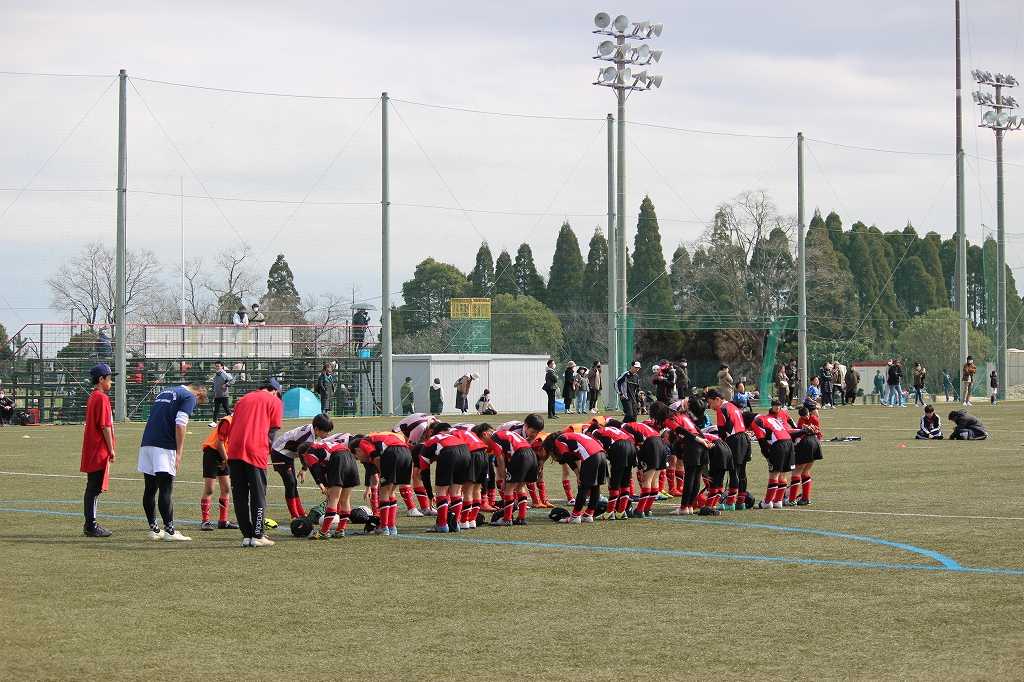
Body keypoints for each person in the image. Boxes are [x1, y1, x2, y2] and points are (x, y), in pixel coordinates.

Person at [138, 382, 208, 541]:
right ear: (198, 394)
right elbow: (181, 424)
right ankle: (170, 532)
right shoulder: (189, 396)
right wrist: (179, 452)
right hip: (164, 446)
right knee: (166, 488)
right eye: (198, 403)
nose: (194, 406)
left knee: (150, 488)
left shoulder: (166, 391)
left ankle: (154, 529)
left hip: (147, 442)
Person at [227, 379, 284, 547]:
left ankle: (247, 535)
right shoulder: (274, 401)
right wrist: (267, 451)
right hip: (255, 449)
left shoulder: (243, 399)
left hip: (234, 449)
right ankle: (258, 535)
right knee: (258, 494)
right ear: (275, 391)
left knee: (240, 495)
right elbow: (272, 430)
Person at [271, 413, 334, 520]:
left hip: (288, 455)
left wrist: (304, 468)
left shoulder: (313, 432)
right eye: (326, 431)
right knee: (290, 483)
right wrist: (304, 469)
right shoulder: (307, 437)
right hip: (279, 453)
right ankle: (294, 515)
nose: (328, 434)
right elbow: (304, 455)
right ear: (317, 429)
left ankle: (300, 513)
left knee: (293, 483)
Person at [350, 431, 413, 535]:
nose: (360, 461)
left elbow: (377, 458)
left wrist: (382, 476)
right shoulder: (377, 439)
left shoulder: (363, 442)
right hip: (406, 453)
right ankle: (392, 527)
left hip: (392, 453)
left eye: (357, 457)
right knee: (391, 492)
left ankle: (384, 527)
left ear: (357, 450)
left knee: (384, 491)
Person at [81, 363, 116, 537]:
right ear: (101, 379)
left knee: (92, 488)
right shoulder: (101, 398)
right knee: (94, 489)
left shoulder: (93, 396)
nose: (111, 382)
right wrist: (111, 449)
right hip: (98, 449)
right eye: (109, 378)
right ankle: (91, 525)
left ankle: (90, 523)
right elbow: (105, 426)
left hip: (92, 448)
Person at [299, 438, 358, 538]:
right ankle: (340, 530)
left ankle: (324, 532)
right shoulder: (321, 446)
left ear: (303, 454)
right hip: (350, 458)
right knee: (345, 500)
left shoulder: (309, 452)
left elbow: (315, 470)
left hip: (338, 458)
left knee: (333, 498)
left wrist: (323, 485)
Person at [750, 400, 804, 509]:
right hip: (789, 442)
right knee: (783, 474)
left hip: (779, 444)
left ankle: (767, 502)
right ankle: (778, 501)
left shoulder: (756, 422)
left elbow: (762, 443)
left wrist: (768, 457)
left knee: (774, 474)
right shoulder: (771, 418)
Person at [483, 427, 538, 527]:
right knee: (520, 487)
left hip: (520, 455)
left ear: (485, 434)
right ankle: (521, 518)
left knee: (508, 488)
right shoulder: (505, 434)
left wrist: (504, 478)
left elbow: (500, 459)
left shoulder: (494, 438)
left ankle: (507, 519)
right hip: (531, 454)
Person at [199, 413, 239, 531]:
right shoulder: (228, 421)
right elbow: (219, 443)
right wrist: (227, 460)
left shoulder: (241, 422)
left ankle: (223, 521)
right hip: (212, 453)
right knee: (209, 489)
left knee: (226, 488)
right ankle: (205, 521)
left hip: (224, 454)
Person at [792, 401, 823, 506]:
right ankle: (805, 498)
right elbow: (798, 431)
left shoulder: (813, 418)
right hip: (812, 444)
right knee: (805, 472)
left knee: (797, 471)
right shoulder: (802, 419)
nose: (805, 417)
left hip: (808, 443)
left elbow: (816, 432)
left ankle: (791, 500)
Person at [209, 361, 234, 426]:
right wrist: (212, 387)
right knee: (216, 410)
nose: (216, 367)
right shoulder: (216, 374)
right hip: (217, 395)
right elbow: (216, 383)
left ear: (222, 366)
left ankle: (233, 421)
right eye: (216, 366)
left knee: (227, 410)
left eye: (218, 366)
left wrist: (226, 385)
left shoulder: (224, 374)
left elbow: (232, 380)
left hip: (224, 395)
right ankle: (214, 422)